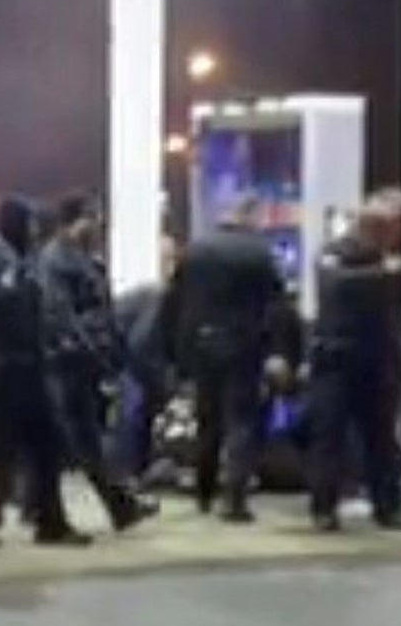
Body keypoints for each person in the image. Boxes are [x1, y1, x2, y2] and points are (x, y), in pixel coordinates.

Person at [0, 196, 85, 554]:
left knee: (47, 448)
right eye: (28, 222)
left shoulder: (27, 259)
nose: (34, 230)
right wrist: (8, 287)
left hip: (31, 366)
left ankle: (51, 522)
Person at [38, 193, 155, 531]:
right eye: (94, 217)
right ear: (77, 220)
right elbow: (60, 314)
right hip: (68, 363)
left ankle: (117, 507)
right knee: (70, 442)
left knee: (82, 441)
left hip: (84, 364)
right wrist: (91, 350)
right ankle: (48, 514)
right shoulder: (56, 260)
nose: (99, 224)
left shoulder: (82, 258)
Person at [165, 200, 286, 522]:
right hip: (244, 347)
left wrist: (177, 350)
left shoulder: (196, 250)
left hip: (202, 345)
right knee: (242, 422)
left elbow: (176, 300)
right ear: (250, 217)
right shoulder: (259, 253)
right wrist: (277, 349)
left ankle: (204, 493)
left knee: (208, 421)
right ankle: (234, 497)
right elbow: (276, 305)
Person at [307, 197, 401, 533]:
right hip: (336, 358)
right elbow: (335, 283)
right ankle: (324, 508)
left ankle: (388, 507)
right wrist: (383, 272)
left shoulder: (383, 259)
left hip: (376, 358)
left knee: (381, 437)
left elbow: (392, 308)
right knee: (330, 437)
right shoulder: (335, 252)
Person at [113, 233, 181, 489]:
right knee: (134, 412)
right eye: (166, 259)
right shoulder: (156, 296)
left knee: (139, 414)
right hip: (133, 362)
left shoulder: (157, 295)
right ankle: (128, 473)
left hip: (135, 359)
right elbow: (141, 345)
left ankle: (135, 470)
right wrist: (163, 381)